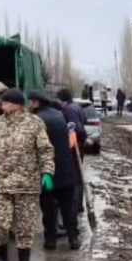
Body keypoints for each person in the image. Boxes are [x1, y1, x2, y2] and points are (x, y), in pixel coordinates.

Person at [0, 88, 55, 261]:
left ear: (16, 104)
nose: (1, 105)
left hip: (26, 183)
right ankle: (1, 258)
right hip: (1, 183)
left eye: (5, 102)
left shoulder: (35, 123)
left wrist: (47, 172)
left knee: (25, 226)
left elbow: (45, 150)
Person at [29, 91, 81, 250]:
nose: (29, 105)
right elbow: (71, 140)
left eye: (30, 102)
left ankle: (50, 240)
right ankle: (73, 239)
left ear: (37, 103)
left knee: (48, 207)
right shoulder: (60, 115)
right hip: (66, 169)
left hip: (47, 172)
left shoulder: (35, 120)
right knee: (68, 207)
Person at [56, 88, 88, 212]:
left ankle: (76, 205)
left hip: (75, 145)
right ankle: (77, 204)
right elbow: (84, 121)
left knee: (75, 176)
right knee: (78, 175)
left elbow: (76, 127)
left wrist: (76, 141)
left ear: (61, 99)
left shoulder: (69, 110)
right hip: (79, 144)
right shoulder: (77, 107)